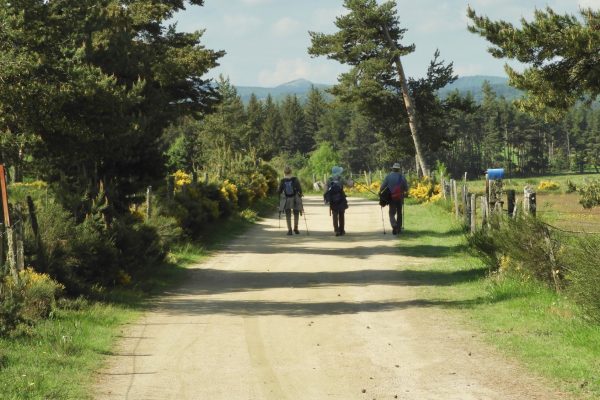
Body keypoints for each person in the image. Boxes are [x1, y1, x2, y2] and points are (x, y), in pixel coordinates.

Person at [380, 162, 409, 235]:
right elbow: (406, 189)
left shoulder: (388, 177)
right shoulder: (402, 177)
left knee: (391, 213)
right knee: (399, 213)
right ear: (399, 170)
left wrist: (380, 192)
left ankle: (394, 225)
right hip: (400, 198)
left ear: (393, 169)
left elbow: (382, 187)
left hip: (391, 198)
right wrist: (404, 192)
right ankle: (399, 228)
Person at [324, 166, 353, 236]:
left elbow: (325, 189)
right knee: (341, 214)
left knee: (334, 214)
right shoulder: (341, 178)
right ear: (339, 172)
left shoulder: (329, 179)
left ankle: (336, 230)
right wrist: (351, 180)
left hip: (333, 199)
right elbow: (349, 185)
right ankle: (342, 230)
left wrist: (325, 198)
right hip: (341, 198)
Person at [278, 166, 303, 235]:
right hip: (295, 198)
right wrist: (300, 194)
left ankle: (289, 230)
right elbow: (299, 189)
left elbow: (279, 191)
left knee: (288, 214)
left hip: (287, 199)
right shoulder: (295, 179)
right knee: (296, 213)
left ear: (284, 172)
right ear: (291, 172)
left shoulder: (282, 181)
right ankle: (296, 228)